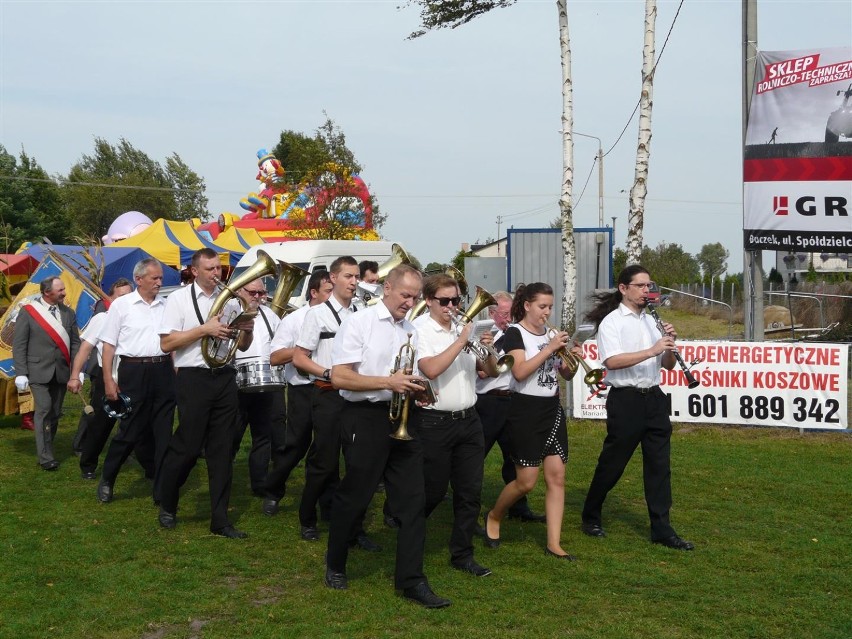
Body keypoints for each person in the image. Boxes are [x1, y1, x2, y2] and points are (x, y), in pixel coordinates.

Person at [324, 264, 450, 608]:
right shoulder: (359, 322)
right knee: (356, 496)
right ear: (387, 289)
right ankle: (335, 562)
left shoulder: (409, 329)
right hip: (363, 417)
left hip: (403, 417)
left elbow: (403, 374)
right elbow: (339, 378)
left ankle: (412, 581)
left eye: (414, 297)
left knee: (413, 502)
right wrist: (387, 382)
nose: (409, 302)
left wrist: (416, 390)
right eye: (405, 295)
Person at [580, 265, 694, 551]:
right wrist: (652, 349)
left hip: (654, 398)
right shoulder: (612, 322)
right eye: (641, 286)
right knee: (613, 463)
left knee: (659, 466)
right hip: (626, 399)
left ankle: (662, 528)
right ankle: (591, 514)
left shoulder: (652, 320)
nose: (647, 291)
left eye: (649, 286)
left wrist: (668, 346)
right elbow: (612, 362)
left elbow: (666, 365)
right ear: (624, 288)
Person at [157, 248, 254, 539]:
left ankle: (220, 519)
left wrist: (247, 326)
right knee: (187, 445)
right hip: (194, 378)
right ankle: (168, 502)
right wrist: (204, 329)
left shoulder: (232, 300)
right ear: (194, 270)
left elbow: (244, 346)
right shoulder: (177, 299)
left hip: (224, 376)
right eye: (210, 269)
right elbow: (167, 344)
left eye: (218, 268)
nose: (216, 274)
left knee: (222, 449)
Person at [482, 282, 577, 561]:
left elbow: (566, 376)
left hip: (551, 409)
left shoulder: (549, 333)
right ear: (527, 306)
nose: (547, 312)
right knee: (526, 482)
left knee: (557, 477)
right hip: (524, 411)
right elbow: (520, 371)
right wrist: (549, 349)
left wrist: (571, 361)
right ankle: (495, 515)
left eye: (550, 306)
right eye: (542, 306)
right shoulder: (514, 333)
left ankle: (554, 543)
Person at [412, 274, 498, 578]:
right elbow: (431, 368)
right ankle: (409, 539)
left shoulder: (464, 329)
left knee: (470, 492)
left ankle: (462, 554)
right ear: (428, 301)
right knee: (431, 491)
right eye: (444, 301)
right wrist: (461, 340)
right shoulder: (420, 329)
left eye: (456, 300)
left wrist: (487, 348)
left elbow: (489, 371)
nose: (452, 306)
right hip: (434, 421)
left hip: (469, 419)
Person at [291, 256, 379, 550]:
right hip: (327, 393)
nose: (355, 282)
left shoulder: (360, 312)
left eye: (357, 277)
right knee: (325, 462)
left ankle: (353, 528)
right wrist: (328, 371)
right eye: (349, 276)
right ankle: (308, 517)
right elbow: (299, 357)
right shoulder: (317, 314)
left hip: (353, 396)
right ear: (333, 278)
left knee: (357, 464)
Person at [95, 259, 176, 506]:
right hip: (133, 371)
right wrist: (109, 380)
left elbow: (171, 341)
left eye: (161, 278)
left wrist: (176, 369)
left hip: (162, 371)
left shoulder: (166, 306)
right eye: (155, 278)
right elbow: (108, 345)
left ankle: (161, 489)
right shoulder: (122, 305)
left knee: (163, 434)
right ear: (139, 279)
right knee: (129, 431)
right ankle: (108, 478)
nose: (159, 283)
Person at [262, 270, 332, 516]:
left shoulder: (340, 317)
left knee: (327, 447)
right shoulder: (294, 320)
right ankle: (273, 490)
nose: (333, 296)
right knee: (296, 445)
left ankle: (327, 502)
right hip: (302, 389)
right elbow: (275, 357)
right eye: (328, 291)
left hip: (328, 388)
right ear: (313, 293)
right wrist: (303, 349)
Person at [475, 290, 546, 524]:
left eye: (510, 312)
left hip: (514, 401)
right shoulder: (485, 336)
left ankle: (518, 506)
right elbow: (483, 372)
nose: (508, 318)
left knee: (514, 456)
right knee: (476, 455)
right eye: (504, 313)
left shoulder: (519, 334)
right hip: (489, 401)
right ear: (492, 313)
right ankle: (468, 507)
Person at [67, 278, 133, 480]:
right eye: (121, 296)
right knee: (100, 425)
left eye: (130, 295)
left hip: (133, 377)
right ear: (111, 298)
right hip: (107, 378)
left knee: (136, 423)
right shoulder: (102, 319)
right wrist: (74, 376)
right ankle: (88, 463)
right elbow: (85, 349)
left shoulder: (136, 318)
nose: (126, 300)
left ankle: (136, 458)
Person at [13, 276, 81, 470]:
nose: (64, 293)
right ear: (47, 292)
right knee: (43, 409)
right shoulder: (29, 312)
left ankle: (47, 446)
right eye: (60, 290)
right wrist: (21, 373)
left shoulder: (68, 313)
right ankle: (45, 457)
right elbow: (19, 344)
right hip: (37, 371)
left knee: (55, 413)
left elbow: (75, 343)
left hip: (61, 371)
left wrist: (77, 370)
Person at [231, 278, 281, 496]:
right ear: (240, 290)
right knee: (232, 434)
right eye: (253, 293)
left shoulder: (270, 315)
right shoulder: (230, 311)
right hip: (235, 382)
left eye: (262, 293)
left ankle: (260, 484)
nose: (259, 297)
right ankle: (223, 476)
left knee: (263, 435)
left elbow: (279, 344)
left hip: (265, 382)